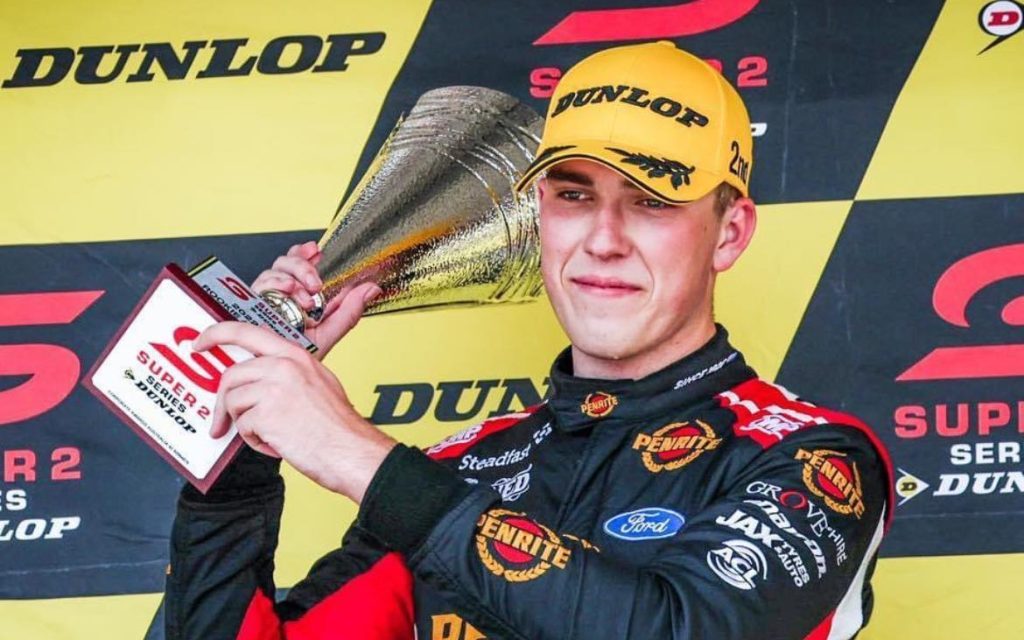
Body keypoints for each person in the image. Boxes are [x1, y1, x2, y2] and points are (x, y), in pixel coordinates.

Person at [165, 41, 893, 640]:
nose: (603, 241)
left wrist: (358, 455)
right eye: (575, 195)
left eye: (651, 203)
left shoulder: (812, 460)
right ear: (539, 214)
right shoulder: (462, 471)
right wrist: (239, 456)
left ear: (728, 234)